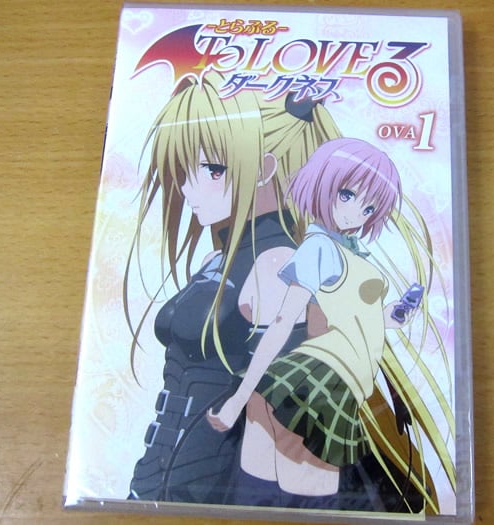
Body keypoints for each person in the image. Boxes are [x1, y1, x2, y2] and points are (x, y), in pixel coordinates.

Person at [125, 72, 342, 503]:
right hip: (162, 479)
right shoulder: (219, 259)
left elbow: (287, 409)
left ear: (264, 170)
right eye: (183, 170)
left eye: (211, 169)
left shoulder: (276, 265)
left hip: (214, 487)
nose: (188, 188)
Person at [207, 138, 453, 513]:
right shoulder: (318, 248)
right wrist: (237, 400)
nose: (356, 214)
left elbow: (357, 320)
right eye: (347, 195)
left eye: (369, 207)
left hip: (318, 381)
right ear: (322, 183)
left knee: (263, 494)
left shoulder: (347, 252)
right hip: (323, 381)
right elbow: (282, 322)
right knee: (306, 498)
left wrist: (393, 315)